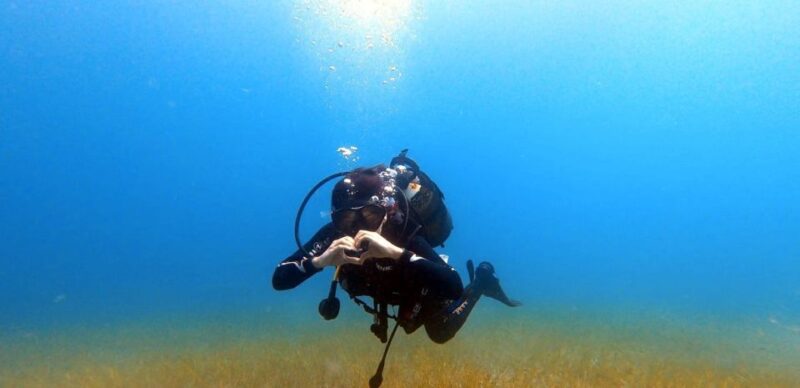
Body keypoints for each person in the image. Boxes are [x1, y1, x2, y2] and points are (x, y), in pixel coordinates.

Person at [272, 160, 520, 344]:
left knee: (440, 332)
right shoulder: (335, 236)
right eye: (347, 219)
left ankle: (481, 281)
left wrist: (397, 253)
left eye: (369, 215)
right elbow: (280, 279)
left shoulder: (402, 233)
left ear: (386, 212)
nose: (359, 228)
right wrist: (319, 261)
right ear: (336, 220)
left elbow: (453, 285)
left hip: (414, 286)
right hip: (384, 291)